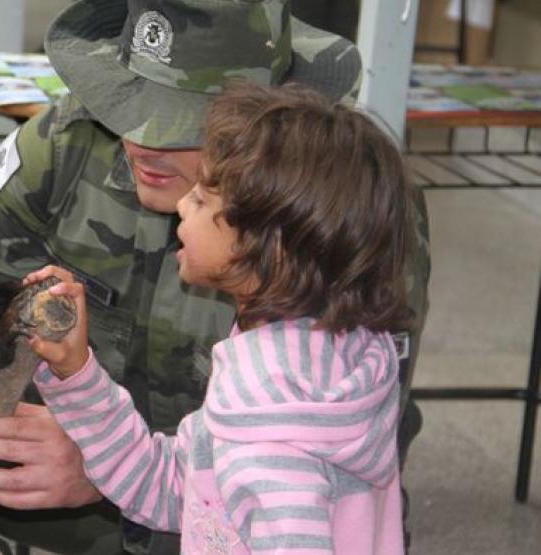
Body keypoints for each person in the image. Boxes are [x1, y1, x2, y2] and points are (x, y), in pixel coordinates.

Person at [0, 0, 430, 553]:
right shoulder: (64, 148)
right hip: (30, 518)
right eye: (128, 97)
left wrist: (97, 473)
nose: (140, 139)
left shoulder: (340, 217)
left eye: (184, 119)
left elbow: (344, 458)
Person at [24, 80, 410, 554]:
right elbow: (171, 487)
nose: (184, 204)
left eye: (204, 200)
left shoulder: (272, 446)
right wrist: (76, 372)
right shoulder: (327, 354)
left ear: (269, 248)